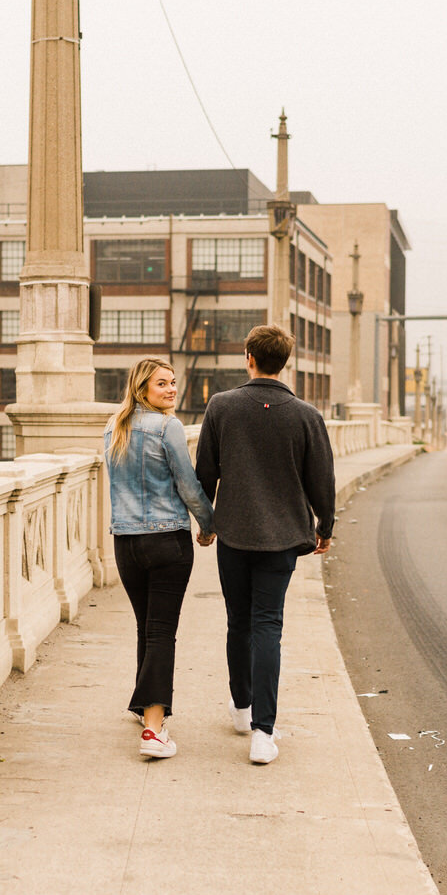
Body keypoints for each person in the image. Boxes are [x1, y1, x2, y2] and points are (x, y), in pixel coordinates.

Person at [195, 324, 336, 765]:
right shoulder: (307, 416)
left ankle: (242, 709)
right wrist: (325, 527)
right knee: (267, 624)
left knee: (238, 621)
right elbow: (322, 480)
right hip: (281, 538)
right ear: (285, 362)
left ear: (248, 357)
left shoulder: (222, 406)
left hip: (233, 534)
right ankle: (263, 732)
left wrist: (205, 523)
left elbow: (205, 473)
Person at [104, 357, 215, 759]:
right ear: (142, 389)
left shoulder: (113, 427)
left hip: (126, 544)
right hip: (167, 541)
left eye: (172, 383)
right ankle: (153, 730)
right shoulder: (168, 427)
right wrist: (209, 522)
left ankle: (142, 706)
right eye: (161, 385)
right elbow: (188, 485)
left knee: (145, 625)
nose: (171, 390)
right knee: (161, 630)